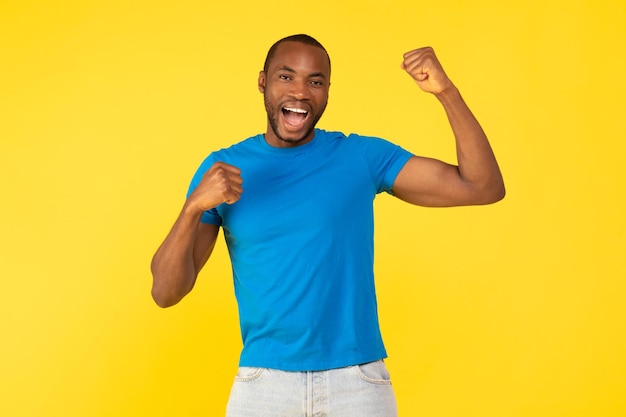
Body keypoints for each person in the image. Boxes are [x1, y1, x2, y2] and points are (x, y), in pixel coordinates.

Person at [151, 34, 505, 417]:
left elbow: (483, 187)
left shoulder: (360, 157)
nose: (301, 92)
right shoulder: (224, 169)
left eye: (315, 81)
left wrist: (446, 92)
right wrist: (191, 209)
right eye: (286, 77)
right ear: (263, 82)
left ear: (327, 91)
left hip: (357, 384)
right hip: (264, 387)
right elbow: (166, 292)